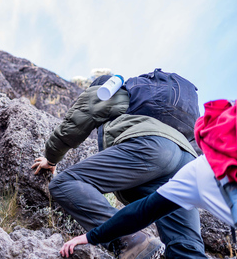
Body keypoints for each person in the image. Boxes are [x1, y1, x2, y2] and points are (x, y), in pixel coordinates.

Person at [32, 74, 206, 258]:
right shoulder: (153, 109)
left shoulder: (109, 91)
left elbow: (76, 123)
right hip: (187, 159)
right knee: (185, 243)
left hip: (152, 149)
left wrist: (51, 158)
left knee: (66, 183)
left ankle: (130, 240)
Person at [59, 99, 237, 258]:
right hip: (182, 156)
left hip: (156, 154)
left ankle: (133, 241)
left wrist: (91, 236)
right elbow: (142, 212)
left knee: (64, 182)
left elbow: (141, 212)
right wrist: (92, 236)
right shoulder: (195, 170)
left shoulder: (196, 173)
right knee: (185, 249)